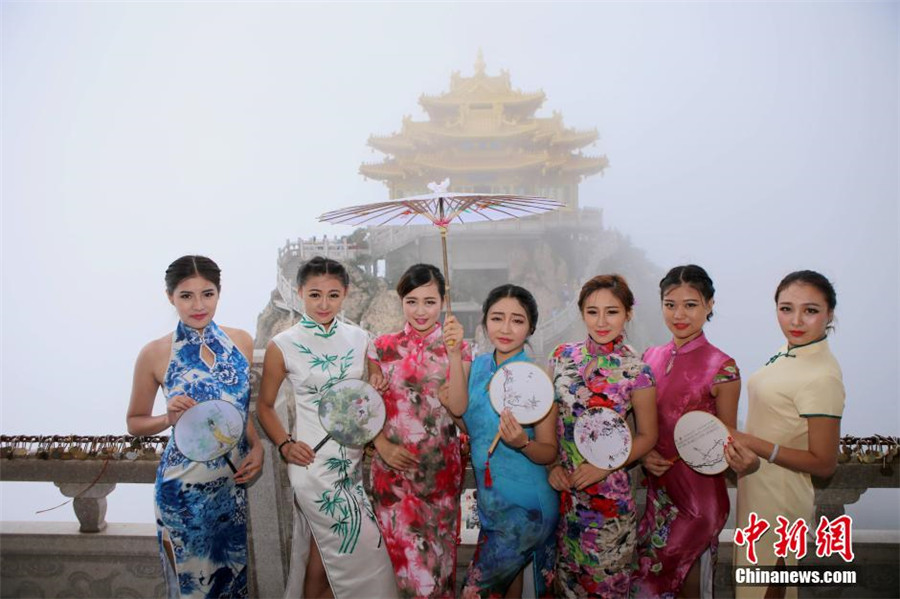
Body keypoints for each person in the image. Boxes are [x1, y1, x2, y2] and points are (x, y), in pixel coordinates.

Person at [255, 256, 398, 599]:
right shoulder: (283, 344)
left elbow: (370, 383)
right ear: (300, 292)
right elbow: (264, 406)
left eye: (333, 295)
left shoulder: (359, 337)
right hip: (310, 467)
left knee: (326, 556)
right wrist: (285, 445)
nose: (324, 303)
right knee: (348, 551)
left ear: (345, 294)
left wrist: (375, 381)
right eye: (315, 294)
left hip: (348, 466)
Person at [126, 255, 263, 598]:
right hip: (182, 492)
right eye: (186, 295)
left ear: (219, 293)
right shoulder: (155, 353)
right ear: (170, 296)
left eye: (208, 293)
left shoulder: (241, 342)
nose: (198, 305)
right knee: (194, 591)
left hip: (231, 489)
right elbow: (135, 422)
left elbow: (241, 410)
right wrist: (168, 418)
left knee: (233, 586)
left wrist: (257, 446)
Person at [632, 265, 758, 599]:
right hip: (659, 495)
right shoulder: (650, 357)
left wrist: (750, 458)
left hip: (700, 499)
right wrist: (645, 452)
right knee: (657, 580)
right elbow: (643, 424)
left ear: (709, 305)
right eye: (670, 304)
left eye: (690, 304)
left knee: (676, 584)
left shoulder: (722, 366)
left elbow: (726, 436)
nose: (679, 314)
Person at [729, 271, 845, 599]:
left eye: (810, 310)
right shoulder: (790, 350)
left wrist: (751, 442)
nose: (796, 320)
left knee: (767, 589)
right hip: (757, 487)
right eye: (786, 308)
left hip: (780, 499)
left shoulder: (822, 376)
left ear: (829, 314)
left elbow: (824, 464)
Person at [548, 274, 658, 598]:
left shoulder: (637, 371)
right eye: (592, 311)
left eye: (612, 311)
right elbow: (551, 418)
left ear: (628, 314)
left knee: (604, 590)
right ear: (581, 312)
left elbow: (648, 436)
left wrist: (605, 466)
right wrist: (552, 464)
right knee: (567, 587)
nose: (601, 321)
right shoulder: (561, 356)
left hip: (610, 503)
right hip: (567, 499)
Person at [368, 264, 472, 598]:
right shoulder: (380, 348)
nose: (420, 310)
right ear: (401, 302)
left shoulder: (461, 349)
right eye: (411, 301)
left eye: (430, 301)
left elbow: (458, 409)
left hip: (440, 475)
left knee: (438, 573)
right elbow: (362, 408)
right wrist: (381, 444)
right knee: (406, 578)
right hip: (393, 478)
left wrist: (454, 354)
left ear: (443, 301)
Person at [454, 284, 559, 598]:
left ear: (530, 327)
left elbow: (548, 450)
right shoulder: (477, 368)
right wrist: (453, 407)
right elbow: (474, 427)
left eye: (517, 320)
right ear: (485, 321)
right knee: (508, 589)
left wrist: (521, 444)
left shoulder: (536, 378)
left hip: (526, 510)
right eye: (497, 318)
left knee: (473, 592)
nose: (505, 328)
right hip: (490, 505)